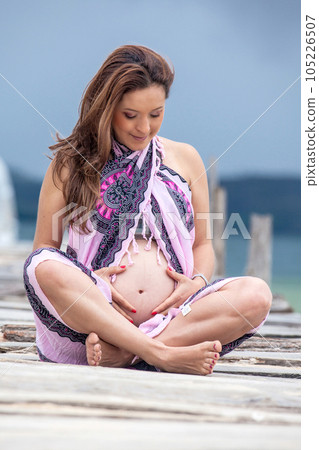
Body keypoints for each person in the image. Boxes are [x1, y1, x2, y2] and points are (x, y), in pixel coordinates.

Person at [23, 45, 272, 375]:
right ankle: (162, 354)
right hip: (93, 323)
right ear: (107, 107)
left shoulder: (185, 157)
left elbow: (202, 245)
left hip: (174, 317)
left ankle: (130, 353)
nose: (144, 127)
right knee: (41, 265)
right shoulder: (70, 163)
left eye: (156, 114)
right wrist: (90, 281)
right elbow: (45, 248)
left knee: (256, 295)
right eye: (131, 115)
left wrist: (196, 282)